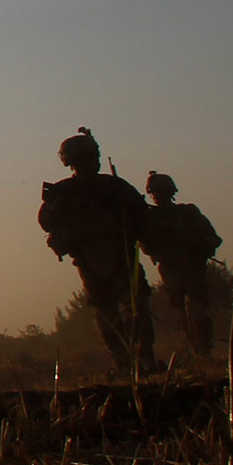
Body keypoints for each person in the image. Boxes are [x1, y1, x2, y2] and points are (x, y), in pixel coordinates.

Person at [38, 129, 157, 372]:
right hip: (89, 256)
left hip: (120, 252)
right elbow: (47, 222)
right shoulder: (64, 192)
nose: (91, 162)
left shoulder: (113, 186)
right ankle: (125, 360)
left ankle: (141, 357)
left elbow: (142, 216)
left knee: (135, 306)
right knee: (109, 310)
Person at [138, 171, 221, 355]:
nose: (158, 196)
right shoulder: (150, 217)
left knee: (197, 307)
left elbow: (213, 239)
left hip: (193, 266)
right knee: (182, 307)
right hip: (171, 268)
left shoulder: (188, 212)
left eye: (161, 191)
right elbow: (146, 246)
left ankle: (204, 347)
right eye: (155, 192)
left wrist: (194, 245)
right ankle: (195, 345)